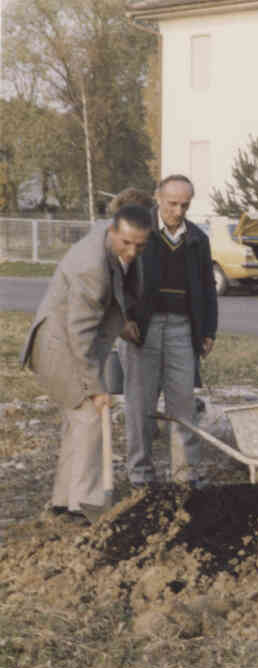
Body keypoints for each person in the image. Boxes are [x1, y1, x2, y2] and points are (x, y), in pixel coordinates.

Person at [21, 204, 152, 521]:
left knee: (77, 421)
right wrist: (96, 388)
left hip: (72, 338)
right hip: (60, 344)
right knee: (92, 416)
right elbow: (79, 333)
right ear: (112, 232)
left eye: (140, 245)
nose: (132, 251)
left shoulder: (113, 239)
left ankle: (64, 501)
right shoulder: (90, 267)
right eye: (126, 243)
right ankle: (86, 506)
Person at [123, 175, 218, 486]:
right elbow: (118, 279)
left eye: (185, 205)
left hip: (182, 329)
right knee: (141, 405)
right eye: (172, 203)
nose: (178, 211)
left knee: (183, 405)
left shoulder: (197, 240)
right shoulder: (137, 232)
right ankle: (140, 475)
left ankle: (185, 475)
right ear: (157, 198)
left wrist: (208, 331)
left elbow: (207, 288)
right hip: (143, 329)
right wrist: (125, 318)